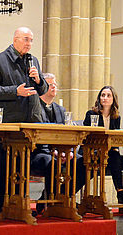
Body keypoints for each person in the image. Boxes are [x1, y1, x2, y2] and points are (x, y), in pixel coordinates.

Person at [0, 27, 48, 213]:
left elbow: (43, 91)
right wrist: (15, 91)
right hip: (10, 126)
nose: (29, 44)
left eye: (31, 40)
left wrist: (38, 81)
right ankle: (5, 207)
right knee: (6, 168)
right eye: (26, 39)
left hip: (31, 124)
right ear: (15, 39)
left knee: (23, 168)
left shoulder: (33, 60)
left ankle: (20, 205)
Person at [31, 73, 86, 215]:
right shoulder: (34, 107)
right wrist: (53, 152)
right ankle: (49, 201)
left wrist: (68, 152)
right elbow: (35, 135)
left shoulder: (60, 110)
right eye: (50, 84)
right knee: (53, 162)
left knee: (85, 162)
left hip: (60, 151)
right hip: (39, 152)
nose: (54, 86)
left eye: (55, 84)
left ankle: (63, 196)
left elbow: (65, 134)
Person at [83, 85, 123, 204]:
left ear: (113, 99)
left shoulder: (116, 117)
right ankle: (120, 194)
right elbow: (84, 134)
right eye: (103, 95)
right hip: (92, 151)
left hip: (109, 152)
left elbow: (115, 137)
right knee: (114, 158)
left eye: (108, 95)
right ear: (99, 98)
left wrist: (114, 148)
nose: (105, 98)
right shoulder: (91, 113)